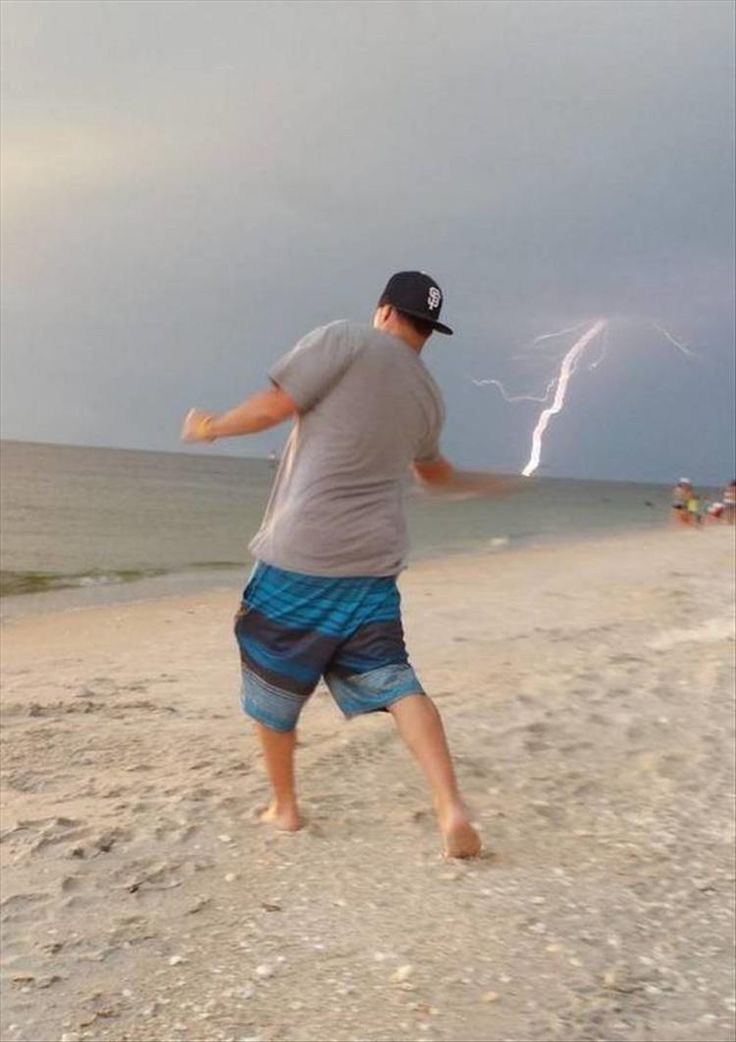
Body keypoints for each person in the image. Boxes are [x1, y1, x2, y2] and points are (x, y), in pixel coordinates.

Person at [181, 270, 523, 859]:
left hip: (302, 557)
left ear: (384, 310)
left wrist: (211, 427)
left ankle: (285, 809)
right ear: (428, 329)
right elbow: (437, 478)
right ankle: (450, 806)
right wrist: (491, 484)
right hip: (372, 566)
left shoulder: (342, 339)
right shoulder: (428, 396)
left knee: (272, 680)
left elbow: (272, 408)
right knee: (396, 680)